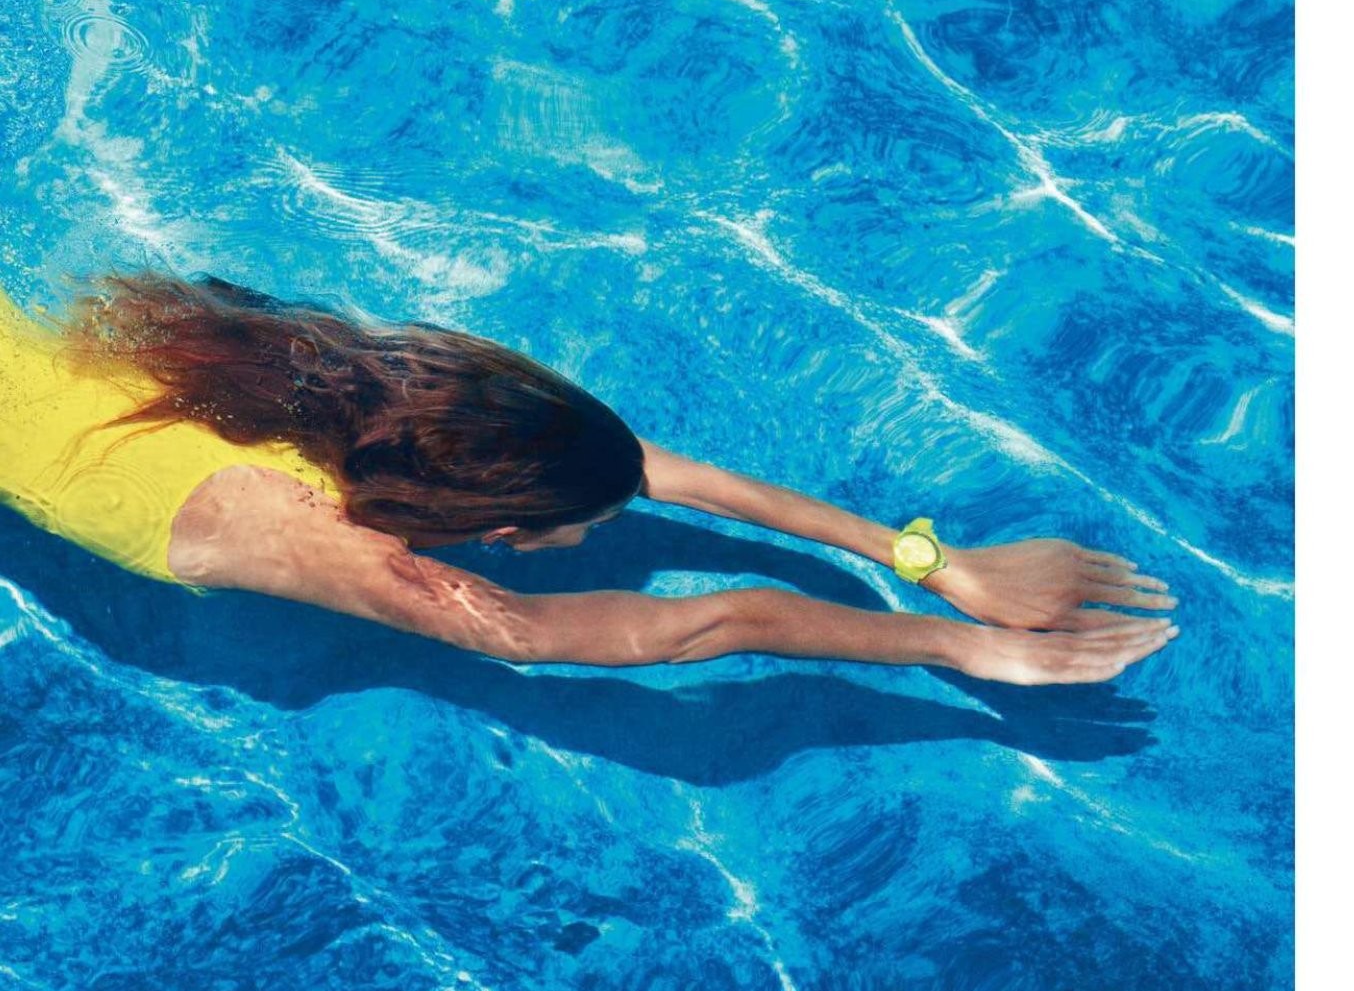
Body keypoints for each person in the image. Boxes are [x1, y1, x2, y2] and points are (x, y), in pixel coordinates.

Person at [0, 271, 1177, 686]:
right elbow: (692, 626)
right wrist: (964, 648)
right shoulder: (318, 542)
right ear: (498, 524)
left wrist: (934, 560)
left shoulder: (376, 388)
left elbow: (654, 468)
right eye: (586, 519)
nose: (611, 519)